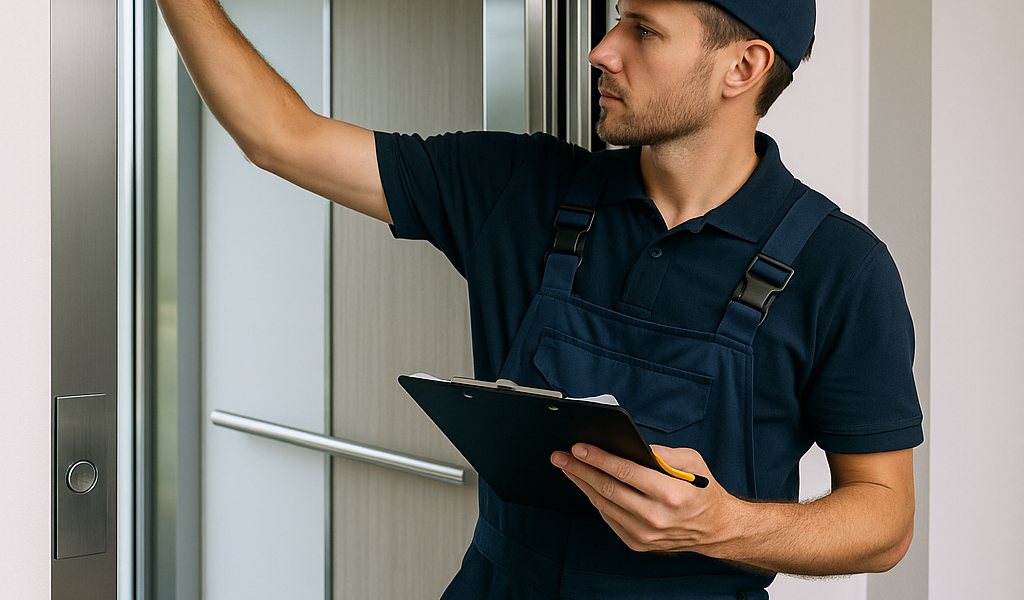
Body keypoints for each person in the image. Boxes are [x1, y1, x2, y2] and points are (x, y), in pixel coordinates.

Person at [157, 0, 924, 597]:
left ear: (743, 66)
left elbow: (883, 520)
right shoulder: (519, 189)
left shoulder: (841, 269)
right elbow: (279, 136)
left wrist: (725, 525)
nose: (603, 49)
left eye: (643, 30)